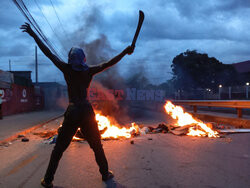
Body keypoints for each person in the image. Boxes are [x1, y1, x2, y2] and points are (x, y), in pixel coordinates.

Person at [20, 22, 134, 188]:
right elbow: (109, 63)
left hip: (73, 111)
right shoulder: (89, 71)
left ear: (70, 59)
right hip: (87, 111)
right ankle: (105, 174)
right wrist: (125, 51)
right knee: (97, 146)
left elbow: (48, 53)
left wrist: (33, 34)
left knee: (59, 149)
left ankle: (48, 180)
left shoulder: (66, 69)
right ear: (84, 60)